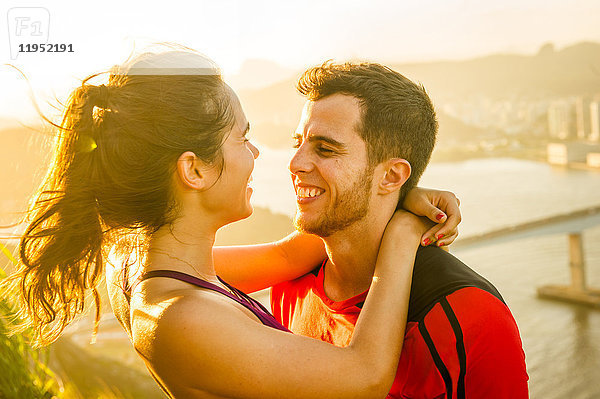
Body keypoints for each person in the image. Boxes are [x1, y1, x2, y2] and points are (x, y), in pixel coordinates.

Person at [4, 49, 462, 398]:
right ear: (195, 171)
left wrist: (389, 190)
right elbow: (365, 376)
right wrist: (402, 232)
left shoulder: (141, 260)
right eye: (243, 138)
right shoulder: (181, 319)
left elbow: (289, 254)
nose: (258, 154)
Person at [270, 62, 529, 398]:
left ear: (392, 176)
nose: (296, 163)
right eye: (298, 142)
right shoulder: (291, 285)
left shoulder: (471, 316)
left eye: (325, 149)